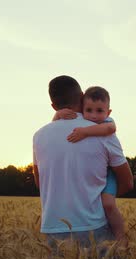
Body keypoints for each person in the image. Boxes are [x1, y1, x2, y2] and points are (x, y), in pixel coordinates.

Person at [33, 75, 133, 257]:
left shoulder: (38, 136)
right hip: (94, 226)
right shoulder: (102, 132)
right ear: (81, 96)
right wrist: (101, 199)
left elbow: (40, 184)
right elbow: (127, 182)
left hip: (52, 230)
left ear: (54, 107)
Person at [52, 86, 128, 247]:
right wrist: (57, 115)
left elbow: (110, 128)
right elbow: (54, 129)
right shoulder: (82, 121)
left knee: (107, 203)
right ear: (81, 108)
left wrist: (86, 132)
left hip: (109, 173)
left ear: (108, 112)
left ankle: (121, 236)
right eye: (89, 110)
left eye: (99, 111)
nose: (94, 116)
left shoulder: (106, 123)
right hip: (93, 173)